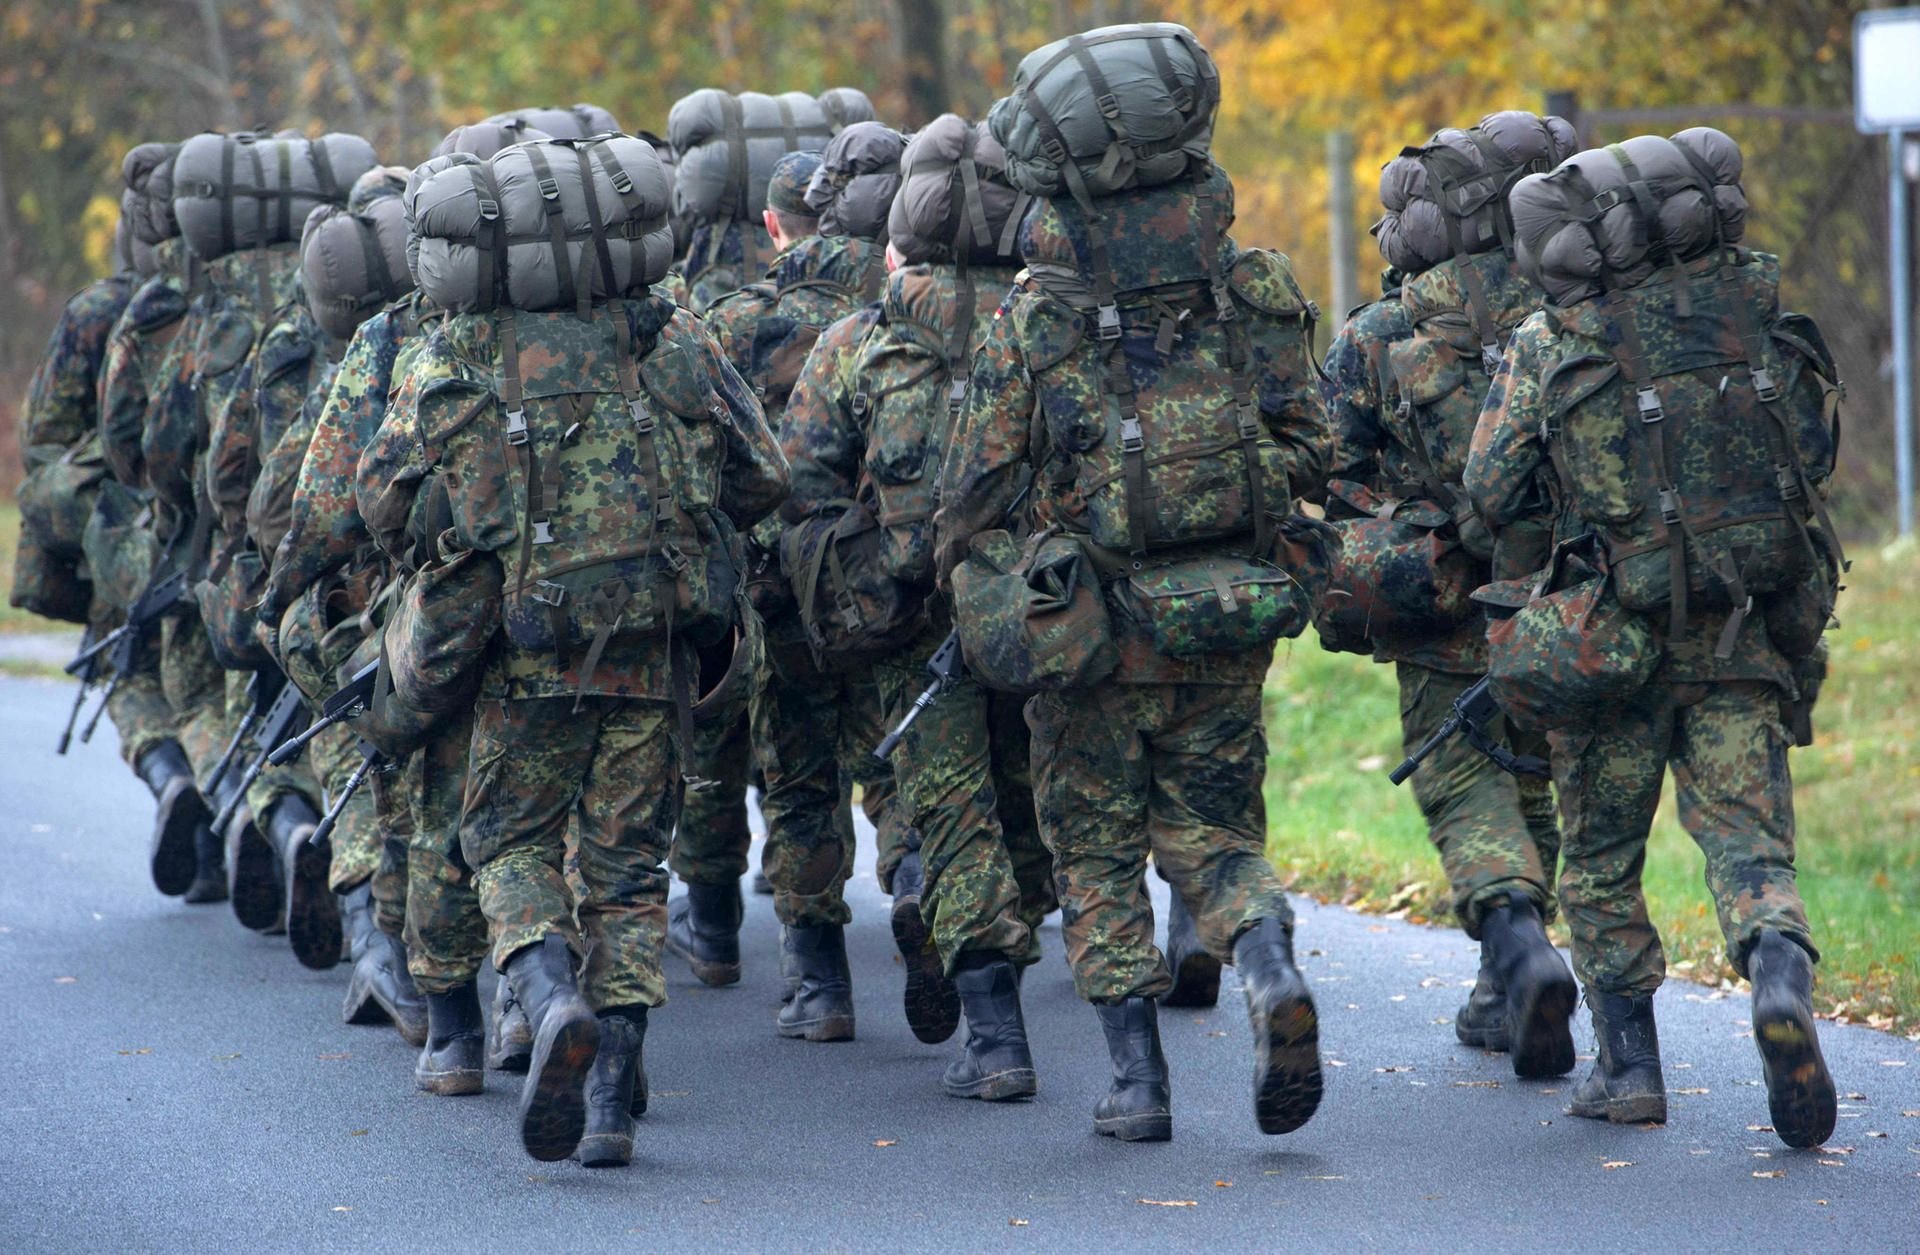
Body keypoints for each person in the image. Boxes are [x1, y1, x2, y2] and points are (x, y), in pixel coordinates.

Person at [934, 154, 1330, 1138]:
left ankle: (1139, 1082)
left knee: (1095, 852)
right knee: (1220, 834)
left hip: (1093, 632)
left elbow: (977, 482)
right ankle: (1270, 969)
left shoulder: (1036, 313)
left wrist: (986, 574)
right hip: (1227, 616)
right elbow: (1313, 445)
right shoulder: (1252, 285)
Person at [1465, 127, 1839, 1149]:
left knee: (1598, 860)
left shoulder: (1554, 337)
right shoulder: (1749, 311)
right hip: (1741, 634)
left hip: (1610, 639)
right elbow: (1810, 453)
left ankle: (1629, 1068)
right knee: (1750, 846)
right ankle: (1776, 973)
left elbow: (1488, 485)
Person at [779, 115, 1057, 1065]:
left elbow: (800, 484)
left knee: (953, 814)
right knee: (1028, 809)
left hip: (913, 625)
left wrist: (863, 582)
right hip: (1040, 611)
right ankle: (994, 955)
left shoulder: (858, 341)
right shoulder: (1054, 327)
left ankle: (998, 1042)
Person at [1319, 113, 1578, 1077]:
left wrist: (1398, 521)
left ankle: (1515, 942)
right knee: (1534, 775)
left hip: (1444, 608)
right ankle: (1502, 985)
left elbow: (1329, 471)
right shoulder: (1572, 308)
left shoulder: (1382, 331)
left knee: (1464, 783)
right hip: (1561, 603)